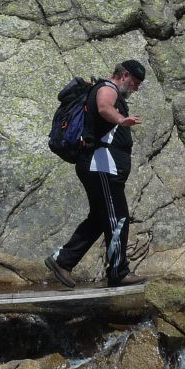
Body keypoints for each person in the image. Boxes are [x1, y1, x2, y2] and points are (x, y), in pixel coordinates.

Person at [46, 60, 147, 288]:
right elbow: (104, 107)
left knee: (99, 219)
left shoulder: (108, 89)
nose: (136, 88)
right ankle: (119, 273)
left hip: (101, 167)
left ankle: (62, 260)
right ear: (124, 75)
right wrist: (122, 119)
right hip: (101, 166)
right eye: (135, 82)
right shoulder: (107, 88)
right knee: (117, 218)